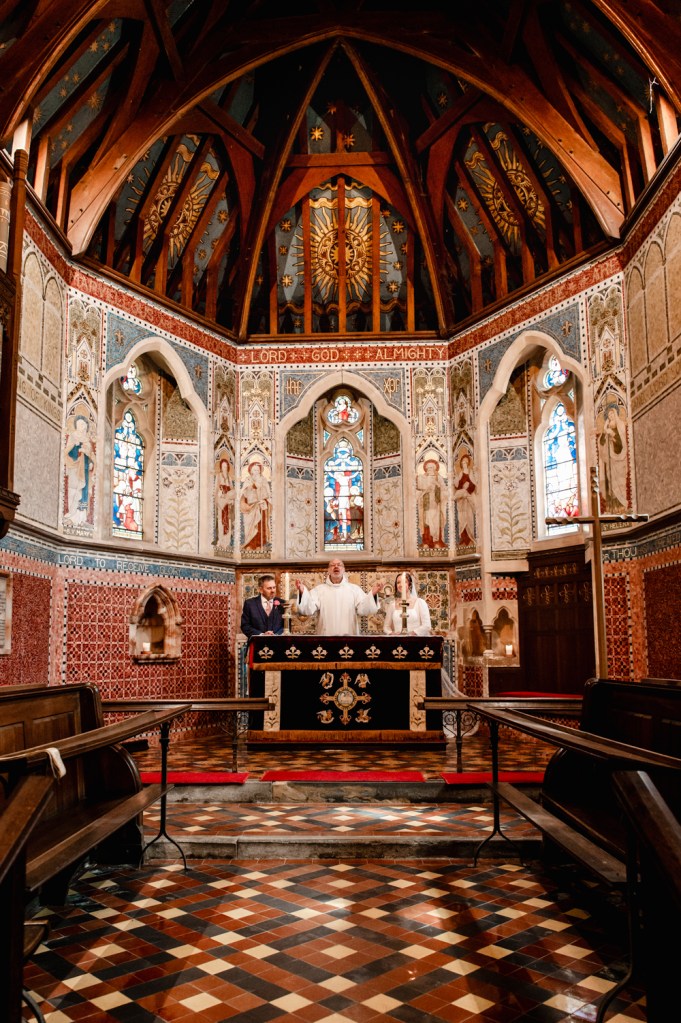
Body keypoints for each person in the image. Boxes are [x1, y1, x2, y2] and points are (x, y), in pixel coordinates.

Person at [295, 558, 382, 635]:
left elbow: (364, 610)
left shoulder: (354, 589)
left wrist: (372, 594)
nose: (336, 566)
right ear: (328, 570)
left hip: (349, 636)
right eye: (332, 565)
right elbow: (307, 609)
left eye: (339, 565)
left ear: (344, 569)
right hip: (326, 637)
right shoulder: (319, 590)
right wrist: (303, 592)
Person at [64, 415, 95, 525]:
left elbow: (91, 455)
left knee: (84, 492)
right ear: (76, 425)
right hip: (74, 468)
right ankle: (72, 515)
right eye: (81, 424)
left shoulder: (87, 440)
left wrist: (91, 463)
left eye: (84, 424)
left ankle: (81, 517)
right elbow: (67, 452)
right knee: (74, 488)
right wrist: (77, 449)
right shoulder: (73, 437)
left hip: (85, 470)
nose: (83, 426)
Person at [383, 572, 432, 636]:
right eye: (398, 582)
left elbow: (427, 625)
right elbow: (386, 627)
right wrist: (392, 633)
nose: (400, 585)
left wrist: (412, 634)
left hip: (416, 640)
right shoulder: (392, 605)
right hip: (398, 642)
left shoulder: (420, 603)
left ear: (410, 584)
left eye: (404, 582)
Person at [241, 574, 284, 638]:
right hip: (257, 644)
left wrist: (276, 635)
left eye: (274, 587)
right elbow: (245, 626)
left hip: (278, 644)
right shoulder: (250, 604)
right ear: (260, 590)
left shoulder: (283, 604)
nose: (273, 591)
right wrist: (261, 635)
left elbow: (287, 626)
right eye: (269, 588)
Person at [240, 459, 271, 549]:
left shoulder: (263, 479)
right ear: (250, 471)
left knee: (261, 524)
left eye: (258, 470)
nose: (256, 472)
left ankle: (260, 544)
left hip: (261, 505)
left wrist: (264, 500)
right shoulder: (248, 479)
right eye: (254, 470)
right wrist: (253, 486)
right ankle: (250, 544)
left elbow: (268, 493)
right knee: (251, 526)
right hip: (251, 507)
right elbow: (244, 493)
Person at [417, 458, 447, 549]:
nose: (429, 469)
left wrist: (437, 485)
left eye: (431, 467)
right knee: (426, 522)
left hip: (436, 503)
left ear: (435, 469)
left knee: (436, 522)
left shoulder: (439, 478)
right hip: (426, 504)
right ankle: (426, 542)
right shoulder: (423, 478)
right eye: (428, 468)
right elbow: (419, 487)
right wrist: (426, 489)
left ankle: (436, 542)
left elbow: (444, 489)